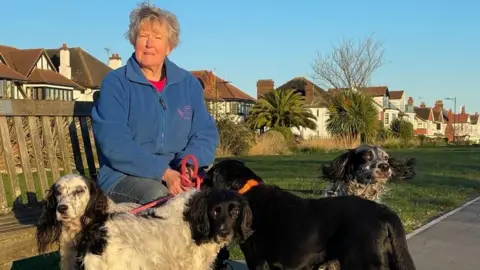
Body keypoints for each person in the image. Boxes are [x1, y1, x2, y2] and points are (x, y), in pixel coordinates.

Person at [91, 2, 218, 206]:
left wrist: (187, 167)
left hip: (178, 172)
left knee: (220, 197)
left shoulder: (188, 84)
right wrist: (163, 172)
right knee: (164, 200)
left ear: (170, 46)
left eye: (158, 38)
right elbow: (115, 144)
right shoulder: (116, 83)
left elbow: (204, 133)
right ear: (134, 41)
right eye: (143, 36)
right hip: (123, 176)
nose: (149, 44)